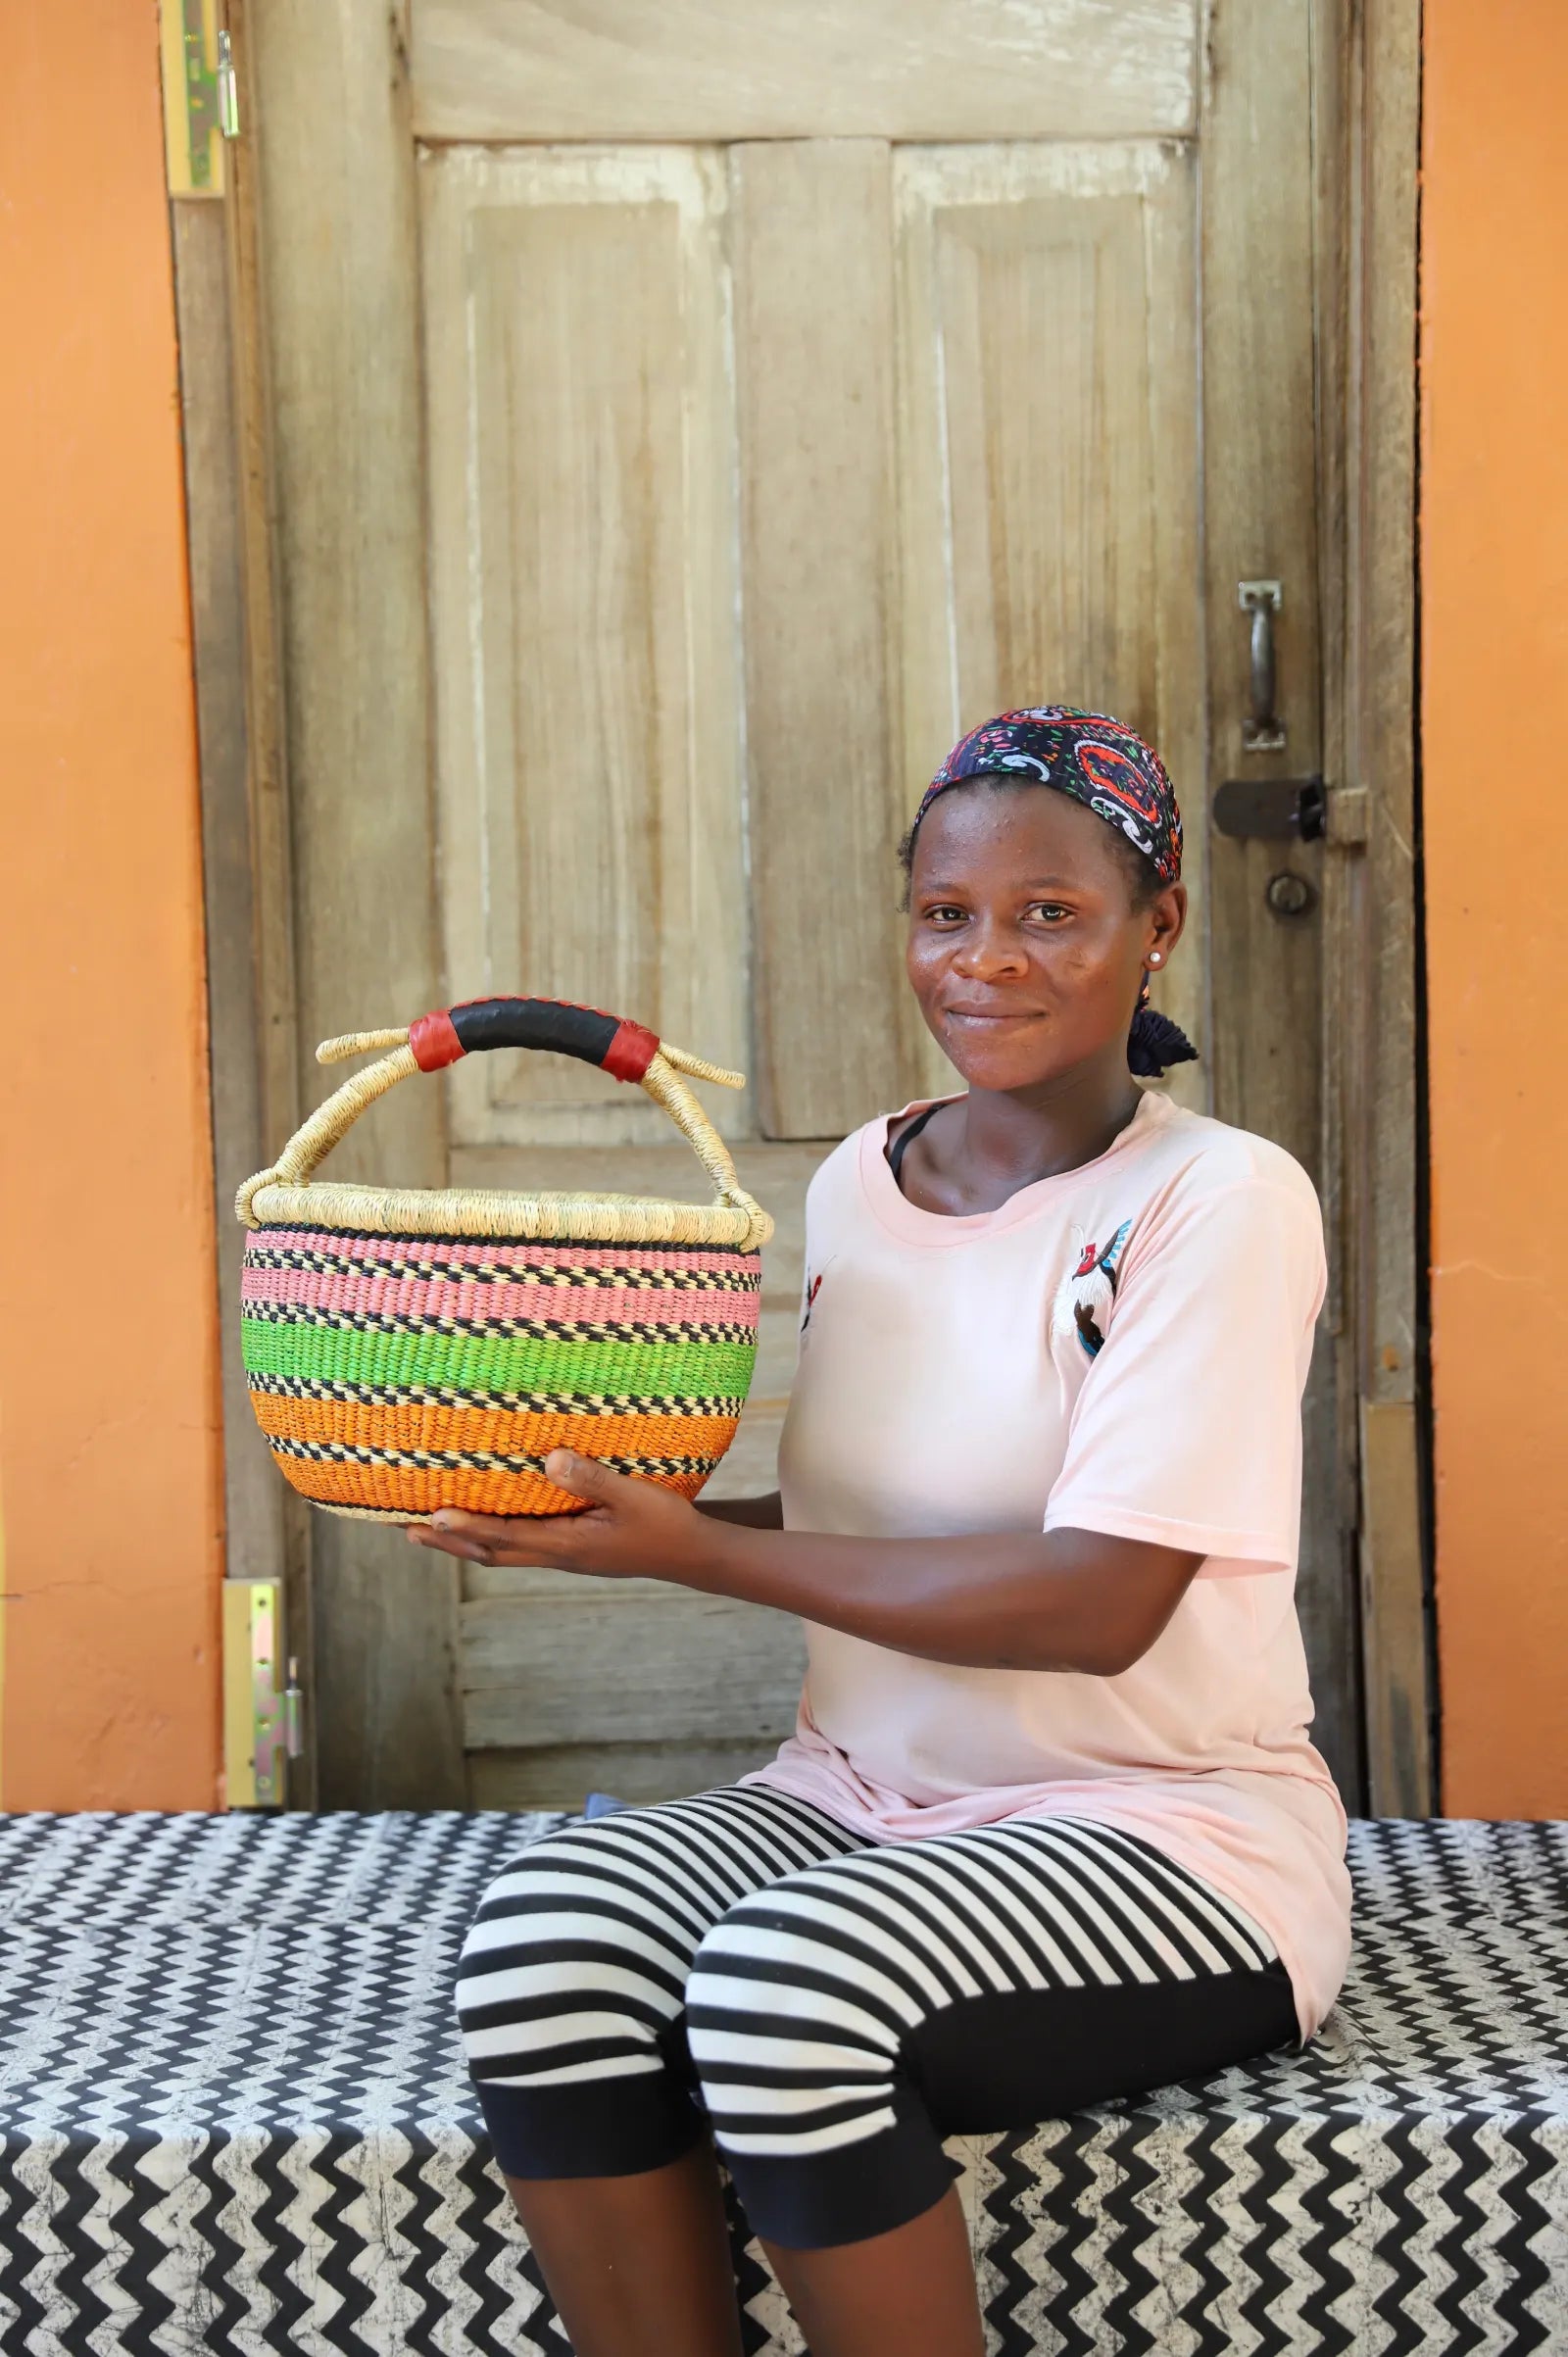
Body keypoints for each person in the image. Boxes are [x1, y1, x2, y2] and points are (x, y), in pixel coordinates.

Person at [410, 707, 1351, 2357]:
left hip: (1168, 1830)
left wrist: (696, 1556)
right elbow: (860, 1521)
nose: (986, 958)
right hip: (850, 1800)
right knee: (546, 1940)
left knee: (785, 1988)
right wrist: (615, 1521)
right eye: (946, 912)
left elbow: (1100, 1599)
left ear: (1159, 926)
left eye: (1050, 913)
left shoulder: (1217, 1200)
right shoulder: (859, 1177)